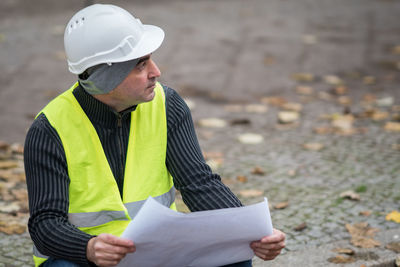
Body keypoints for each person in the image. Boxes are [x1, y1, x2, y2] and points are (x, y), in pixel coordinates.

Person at [24, 4, 285, 267]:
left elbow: (199, 184)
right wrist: (88, 248)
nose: (155, 72)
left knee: (235, 256)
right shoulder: (50, 129)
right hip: (90, 259)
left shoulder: (167, 104)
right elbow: (45, 223)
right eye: (140, 65)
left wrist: (251, 233)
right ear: (105, 78)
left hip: (158, 251)